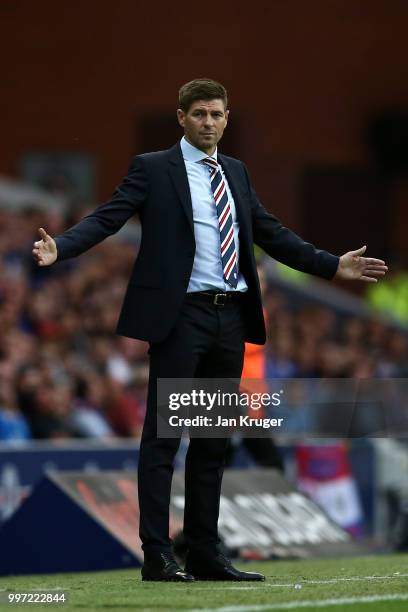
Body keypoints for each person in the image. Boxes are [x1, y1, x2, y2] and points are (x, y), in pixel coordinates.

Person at [32, 78, 388, 582]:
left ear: (226, 118)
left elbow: (270, 232)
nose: (208, 122)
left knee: (213, 442)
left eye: (216, 114)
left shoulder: (237, 174)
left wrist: (331, 265)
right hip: (181, 320)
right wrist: (61, 248)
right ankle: (157, 554)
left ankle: (204, 551)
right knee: (164, 439)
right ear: (181, 117)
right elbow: (109, 218)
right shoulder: (153, 168)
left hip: (230, 319)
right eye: (198, 113)